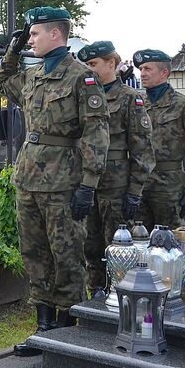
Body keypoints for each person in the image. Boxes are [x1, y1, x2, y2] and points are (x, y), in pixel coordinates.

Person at [0, 7, 110, 357]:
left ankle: (67, 329)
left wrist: (89, 183)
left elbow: (96, 130)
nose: (30, 39)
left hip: (63, 179)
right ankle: (43, 327)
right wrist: (12, 51)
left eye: (34, 34)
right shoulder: (35, 75)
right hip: (29, 176)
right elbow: (3, 84)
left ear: (55, 34)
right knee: (35, 252)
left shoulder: (81, 76)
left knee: (67, 255)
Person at [75, 41, 154, 300]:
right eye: (86, 65)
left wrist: (135, 191)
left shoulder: (130, 99)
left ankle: (120, 297)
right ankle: (96, 294)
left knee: (117, 245)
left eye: (94, 64)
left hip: (115, 185)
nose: (89, 70)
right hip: (87, 184)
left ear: (112, 63)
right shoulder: (82, 95)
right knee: (90, 243)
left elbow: (142, 149)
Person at [133, 49, 185, 230]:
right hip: (139, 184)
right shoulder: (138, 104)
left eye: (148, 69)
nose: (142, 73)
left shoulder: (184, 106)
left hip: (168, 187)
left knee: (169, 243)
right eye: (141, 69)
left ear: (164, 73)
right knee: (138, 240)